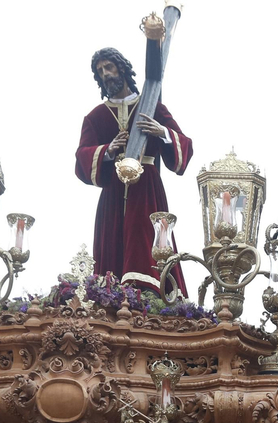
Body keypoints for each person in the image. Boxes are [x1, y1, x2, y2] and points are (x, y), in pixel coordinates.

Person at [76, 42, 193, 286]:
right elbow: (81, 158)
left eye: (109, 67)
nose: (106, 73)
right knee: (112, 245)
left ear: (122, 68)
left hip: (146, 188)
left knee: (147, 240)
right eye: (100, 71)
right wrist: (108, 150)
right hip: (113, 193)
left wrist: (162, 131)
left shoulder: (152, 107)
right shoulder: (95, 116)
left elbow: (186, 146)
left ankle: (150, 292)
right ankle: (108, 294)